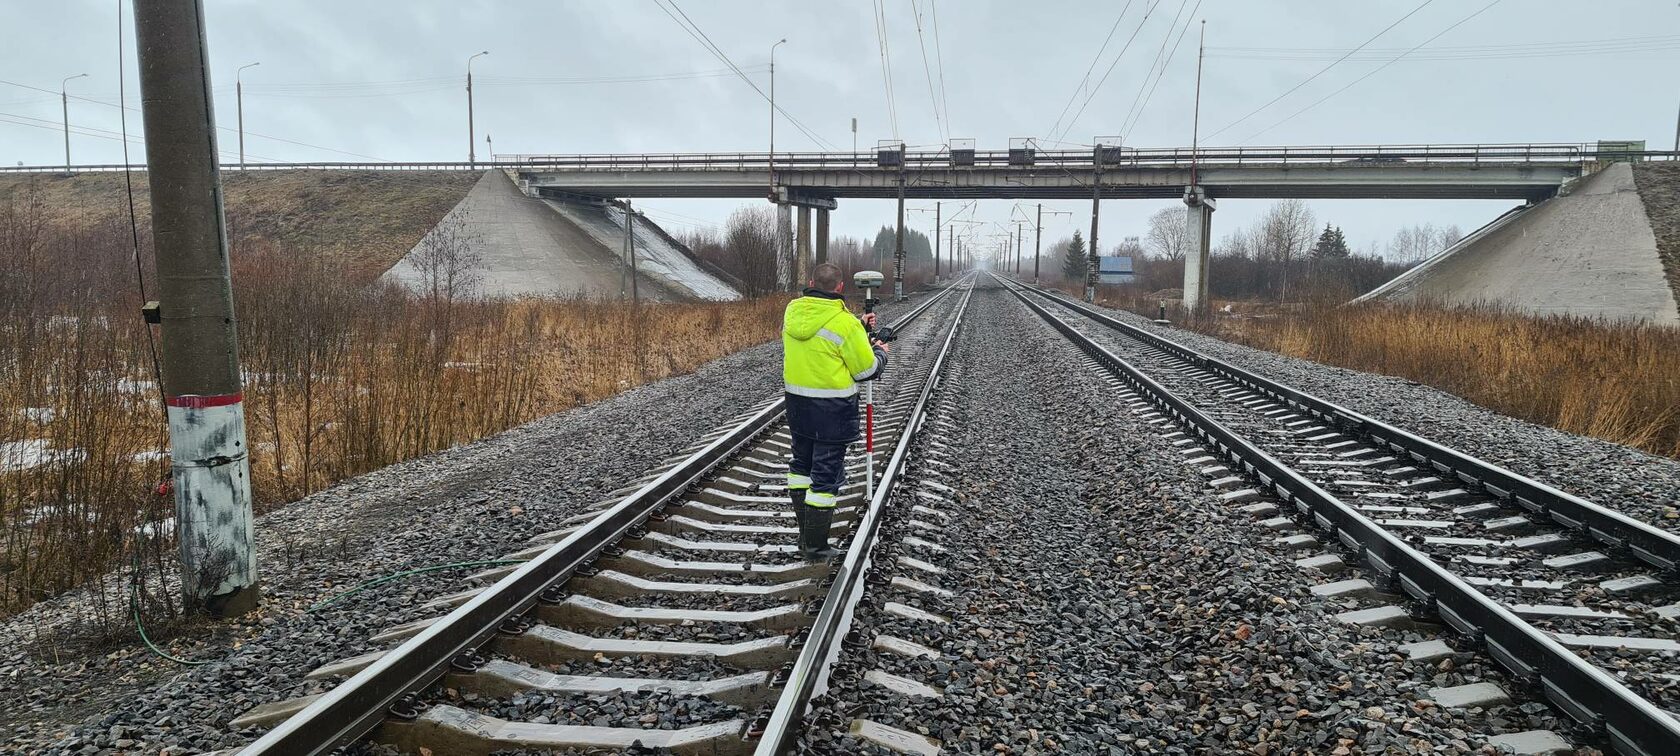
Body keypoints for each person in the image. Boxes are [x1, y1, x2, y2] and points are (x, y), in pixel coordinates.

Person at [781, 263, 889, 560]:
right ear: (840, 288)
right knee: (824, 478)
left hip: (797, 407)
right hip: (831, 412)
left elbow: (820, 335)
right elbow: (865, 370)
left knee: (801, 466)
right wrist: (880, 353)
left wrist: (856, 323)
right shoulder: (845, 324)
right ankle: (816, 548)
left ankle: (805, 536)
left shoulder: (793, 313)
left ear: (811, 281)